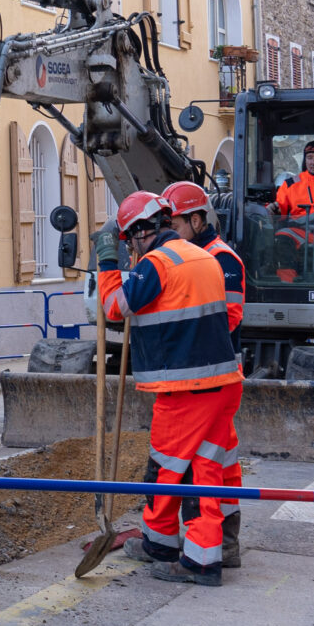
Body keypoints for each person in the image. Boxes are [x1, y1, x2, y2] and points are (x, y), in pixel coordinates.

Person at [100, 190, 245, 587]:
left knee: (165, 469)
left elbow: (115, 306)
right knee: (205, 472)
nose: (131, 247)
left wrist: (107, 262)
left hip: (187, 388)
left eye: (130, 239)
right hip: (221, 382)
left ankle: (178, 553)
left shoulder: (159, 262)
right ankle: (184, 552)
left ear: (141, 231)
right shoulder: (203, 257)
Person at [162, 178, 245, 568]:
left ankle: (214, 545)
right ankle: (224, 542)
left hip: (213, 373)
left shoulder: (221, 258)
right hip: (209, 374)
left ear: (197, 220)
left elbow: (228, 317)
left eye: (174, 225)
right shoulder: (186, 257)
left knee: (207, 462)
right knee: (220, 459)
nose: (169, 234)